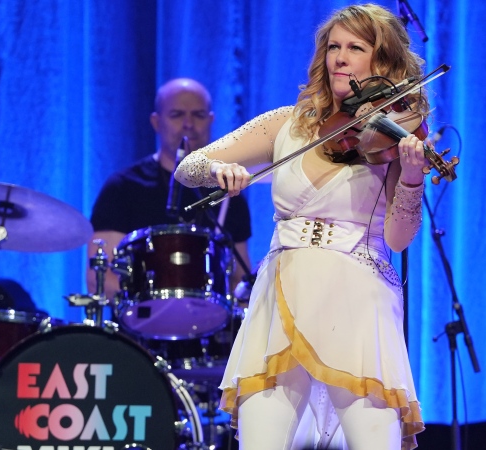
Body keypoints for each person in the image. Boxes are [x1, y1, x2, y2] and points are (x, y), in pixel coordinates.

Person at [174, 4, 429, 449]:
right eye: (333, 47)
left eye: (355, 47)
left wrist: (410, 178)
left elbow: (397, 238)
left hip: (357, 296)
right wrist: (217, 171)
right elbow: (187, 166)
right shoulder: (285, 124)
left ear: (381, 61)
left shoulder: (393, 133)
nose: (340, 57)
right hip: (281, 293)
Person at [88, 78, 252, 302]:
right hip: (140, 327)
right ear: (156, 122)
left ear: (211, 120)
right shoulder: (123, 187)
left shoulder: (228, 191)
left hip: (210, 328)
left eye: (198, 115)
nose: (188, 124)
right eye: (176, 115)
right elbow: (99, 277)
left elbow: (238, 279)